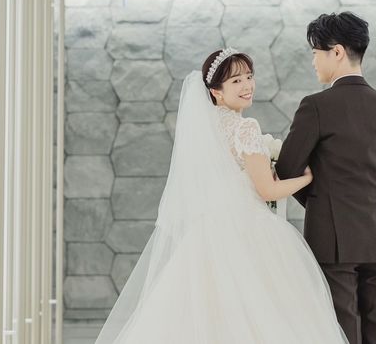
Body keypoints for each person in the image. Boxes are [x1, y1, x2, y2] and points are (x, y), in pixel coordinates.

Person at [95, 48, 347, 344]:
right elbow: (267, 190)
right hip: (249, 232)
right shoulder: (245, 128)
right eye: (236, 81)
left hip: (208, 233)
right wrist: (306, 178)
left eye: (249, 77)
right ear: (216, 91)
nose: (247, 85)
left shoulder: (205, 130)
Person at [276, 12, 376, 344]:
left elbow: (287, 169)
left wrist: (322, 206)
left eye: (315, 53)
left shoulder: (316, 106)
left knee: (341, 331)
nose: (313, 62)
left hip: (333, 240)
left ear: (336, 51)